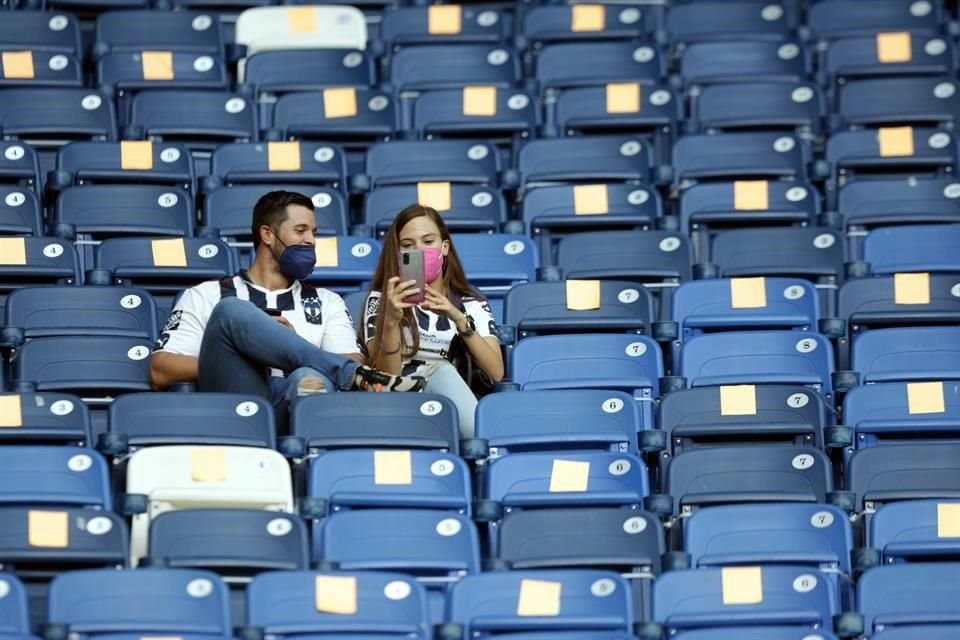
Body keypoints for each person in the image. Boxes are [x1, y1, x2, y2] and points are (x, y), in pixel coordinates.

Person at [150, 191, 425, 424]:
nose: (311, 240)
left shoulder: (327, 301)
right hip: (235, 406)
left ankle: (309, 454)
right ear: (267, 235)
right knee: (230, 310)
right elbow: (161, 371)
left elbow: (353, 357)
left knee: (309, 376)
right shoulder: (205, 295)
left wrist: (290, 346)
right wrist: (250, 355)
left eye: (314, 233)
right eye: (301, 230)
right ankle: (349, 375)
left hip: (297, 411)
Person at [362, 204, 504, 437]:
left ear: (444, 247)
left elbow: (496, 372)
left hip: (452, 401)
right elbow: (388, 379)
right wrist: (391, 323)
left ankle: (481, 443)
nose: (419, 250)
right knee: (441, 371)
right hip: (402, 400)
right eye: (408, 245)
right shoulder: (382, 300)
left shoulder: (471, 304)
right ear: (398, 254)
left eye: (428, 241)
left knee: (444, 371)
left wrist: (458, 318)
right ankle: (484, 442)